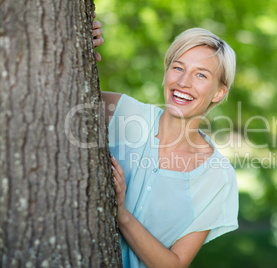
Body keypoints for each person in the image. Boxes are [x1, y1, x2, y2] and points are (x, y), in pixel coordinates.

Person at [93, 19, 239, 268]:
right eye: (178, 68)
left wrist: (122, 215)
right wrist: (83, 52)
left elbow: (174, 264)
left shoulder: (217, 177)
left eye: (201, 75)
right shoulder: (123, 113)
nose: (183, 82)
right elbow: (61, 94)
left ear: (218, 93)